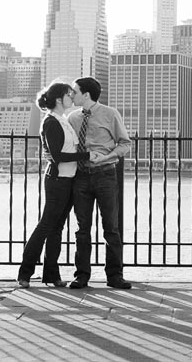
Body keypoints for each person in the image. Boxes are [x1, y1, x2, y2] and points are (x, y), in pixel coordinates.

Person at [17, 82, 92, 288]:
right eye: (69, 95)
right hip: (57, 180)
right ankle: (25, 272)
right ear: (59, 99)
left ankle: (51, 274)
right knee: (45, 226)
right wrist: (87, 155)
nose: (72, 98)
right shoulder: (51, 122)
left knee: (56, 228)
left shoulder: (64, 120)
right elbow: (58, 155)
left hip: (69, 180)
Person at [68, 76, 132, 289]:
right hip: (81, 176)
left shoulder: (110, 114)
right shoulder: (72, 118)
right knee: (82, 228)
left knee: (110, 228)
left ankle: (115, 276)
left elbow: (125, 144)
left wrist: (105, 157)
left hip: (105, 174)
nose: (72, 95)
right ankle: (81, 276)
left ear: (86, 94)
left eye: (74, 92)